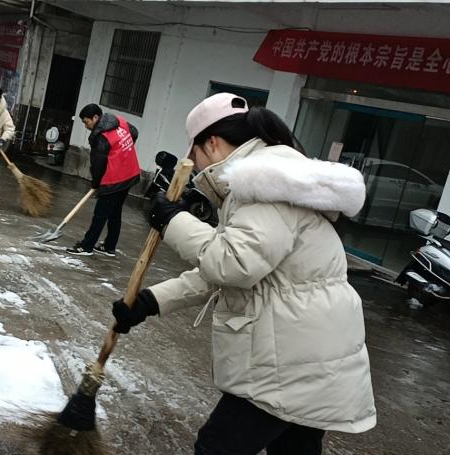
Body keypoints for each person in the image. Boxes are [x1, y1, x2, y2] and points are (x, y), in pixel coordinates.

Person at [110, 93, 376, 455]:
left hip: (286, 361)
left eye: (197, 155)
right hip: (309, 355)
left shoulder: (263, 185)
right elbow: (233, 267)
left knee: (217, 447)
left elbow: (233, 264)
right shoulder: (277, 177)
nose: (197, 166)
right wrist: (151, 301)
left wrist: (173, 221)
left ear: (213, 143)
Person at [67, 104, 140, 257]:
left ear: (95, 118)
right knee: (115, 212)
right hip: (131, 173)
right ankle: (109, 246)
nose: (86, 126)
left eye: (87, 122)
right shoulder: (119, 121)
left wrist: (96, 183)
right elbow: (134, 132)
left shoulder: (101, 136)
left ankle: (86, 246)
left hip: (115, 179)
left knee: (100, 214)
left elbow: (98, 165)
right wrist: (123, 151)